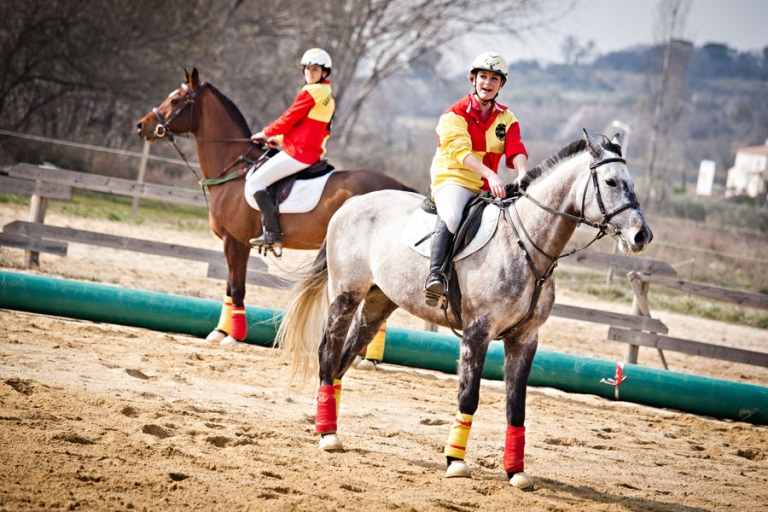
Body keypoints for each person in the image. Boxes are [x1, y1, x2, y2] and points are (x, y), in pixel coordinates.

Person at [424, 51, 529, 306]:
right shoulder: (454, 114)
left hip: (486, 186)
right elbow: (462, 153)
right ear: (474, 79)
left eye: (494, 78)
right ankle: (436, 275)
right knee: (451, 216)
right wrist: (491, 174)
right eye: (483, 76)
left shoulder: (507, 118)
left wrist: (523, 173)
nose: (488, 83)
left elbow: (515, 149)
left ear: (501, 85)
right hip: (454, 179)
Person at [247, 48, 335, 249]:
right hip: (308, 149)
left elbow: (289, 118)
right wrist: (279, 139)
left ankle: (272, 233)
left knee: (255, 182)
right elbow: (307, 126)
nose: (309, 73)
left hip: (300, 153)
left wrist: (266, 132)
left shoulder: (311, 92)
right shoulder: (327, 94)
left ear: (324, 72)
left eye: (315, 69)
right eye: (307, 69)